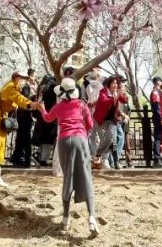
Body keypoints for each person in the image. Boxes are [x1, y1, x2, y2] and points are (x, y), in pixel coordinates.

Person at [37, 78, 98, 235]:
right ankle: (91, 218)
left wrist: (41, 108)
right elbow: (90, 124)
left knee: (67, 177)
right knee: (86, 176)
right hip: (80, 139)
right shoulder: (81, 104)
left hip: (64, 140)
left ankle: (65, 218)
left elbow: (47, 118)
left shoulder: (58, 107)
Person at [10, 69, 37, 168]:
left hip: (26, 115)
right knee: (25, 137)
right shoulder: (26, 87)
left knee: (22, 137)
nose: (34, 78)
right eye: (33, 76)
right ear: (29, 76)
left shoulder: (32, 87)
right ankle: (25, 159)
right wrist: (33, 100)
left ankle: (17, 158)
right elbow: (24, 101)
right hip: (24, 115)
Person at [91, 76, 119, 168]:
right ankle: (101, 158)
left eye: (116, 83)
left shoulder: (117, 93)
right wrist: (113, 98)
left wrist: (122, 115)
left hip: (112, 121)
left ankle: (116, 162)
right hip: (101, 120)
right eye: (113, 83)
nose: (115, 85)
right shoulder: (103, 92)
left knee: (113, 140)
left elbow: (120, 103)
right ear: (108, 84)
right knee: (104, 140)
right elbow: (103, 101)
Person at [149, 76, 162, 167]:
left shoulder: (159, 92)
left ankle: (160, 158)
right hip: (158, 118)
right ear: (157, 82)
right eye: (161, 82)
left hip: (159, 118)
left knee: (160, 138)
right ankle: (156, 159)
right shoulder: (155, 92)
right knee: (158, 138)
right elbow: (157, 107)